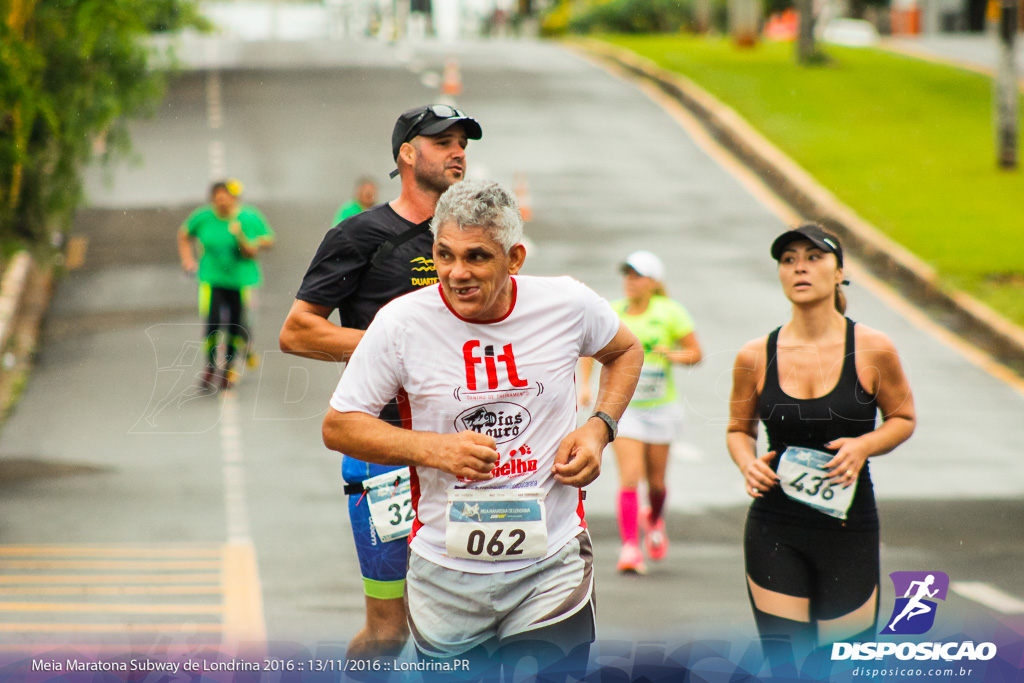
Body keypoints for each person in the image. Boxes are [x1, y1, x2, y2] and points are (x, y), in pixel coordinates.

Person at [322, 180, 643, 679]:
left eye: (476, 257)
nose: (457, 273)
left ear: (514, 258)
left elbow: (625, 350)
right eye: (445, 255)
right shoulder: (400, 324)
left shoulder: (565, 303)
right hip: (445, 576)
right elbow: (339, 426)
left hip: (550, 565)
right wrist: (432, 449)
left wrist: (599, 428)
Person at [279, 104, 482, 658]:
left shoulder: (473, 240)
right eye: (443, 141)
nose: (458, 150)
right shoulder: (362, 235)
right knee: (391, 632)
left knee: (462, 627)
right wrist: (391, 352)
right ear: (408, 155)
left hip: (464, 451)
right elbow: (298, 332)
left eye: (463, 141)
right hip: (384, 452)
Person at [726, 223, 915, 672]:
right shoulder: (756, 354)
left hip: (849, 530)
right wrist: (746, 464)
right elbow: (738, 430)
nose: (800, 268)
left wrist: (864, 445)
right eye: (789, 260)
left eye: (814, 258)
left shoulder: (872, 348)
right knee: (788, 669)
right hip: (776, 526)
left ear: (839, 273)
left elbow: (903, 419)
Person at [579, 250, 702, 575]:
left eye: (638, 276)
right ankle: (631, 547)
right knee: (630, 477)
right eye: (627, 275)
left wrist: (672, 354)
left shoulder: (671, 312)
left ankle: (655, 517)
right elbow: (589, 351)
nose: (630, 282)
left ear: (653, 282)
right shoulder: (614, 312)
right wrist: (585, 386)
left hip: (662, 408)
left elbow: (696, 354)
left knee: (657, 484)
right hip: (626, 408)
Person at [178, 179, 275, 391]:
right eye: (217, 198)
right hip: (212, 279)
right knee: (212, 325)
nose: (222, 202)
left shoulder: (247, 217)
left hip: (241, 281)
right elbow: (184, 235)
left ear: (234, 199)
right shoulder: (203, 218)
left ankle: (229, 369)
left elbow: (267, 241)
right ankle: (210, 367)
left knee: (235, 326)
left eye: (226, 197)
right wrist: (188, 260)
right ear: (212, 199)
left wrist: (249, 241)